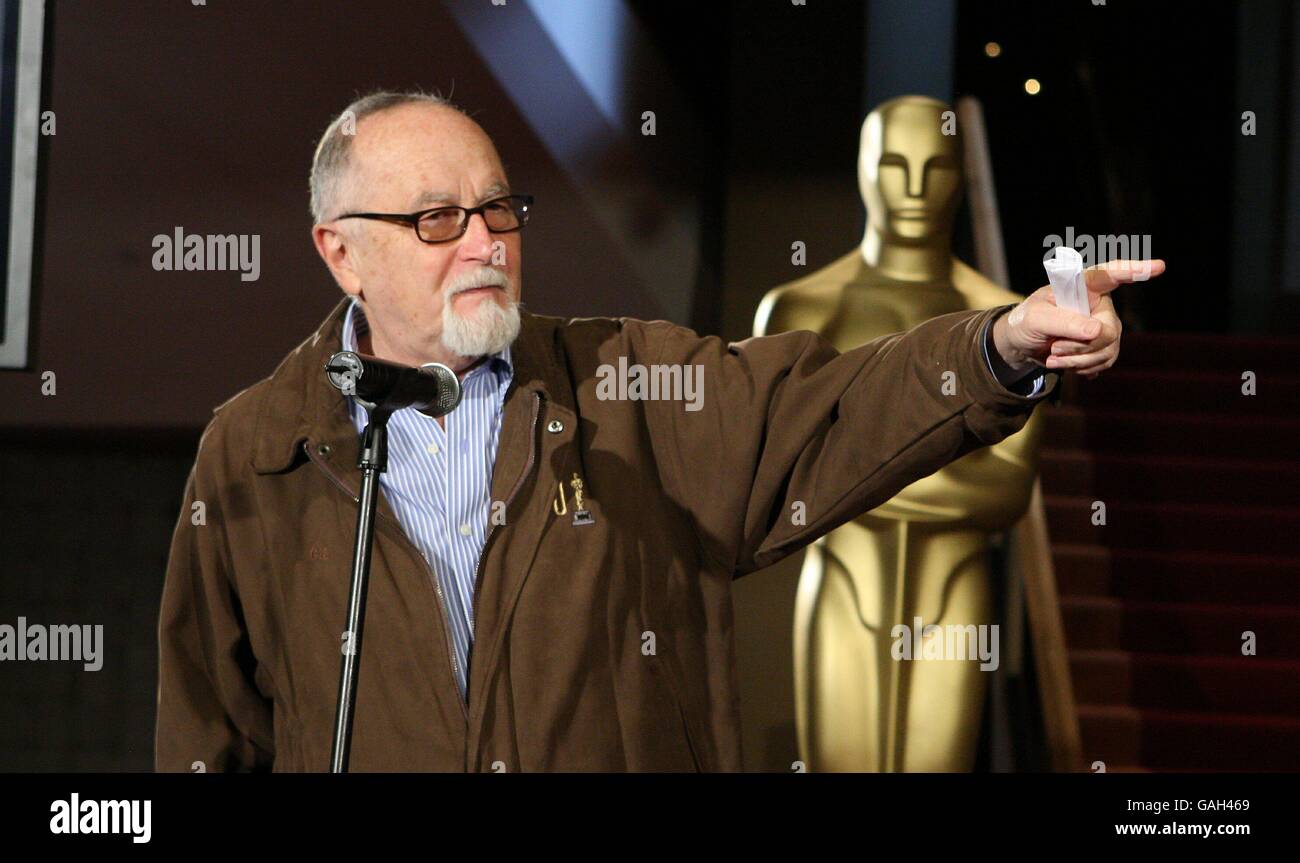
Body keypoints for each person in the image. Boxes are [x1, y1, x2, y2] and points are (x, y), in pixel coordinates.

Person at [155, 90, 1163, 772]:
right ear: (342, 253)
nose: (485, 243)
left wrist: (1003, 344)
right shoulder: (253, 449)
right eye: (436, 220)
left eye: (500, 210)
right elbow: (207, 733)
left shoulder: (633, 388)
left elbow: (836, 409)